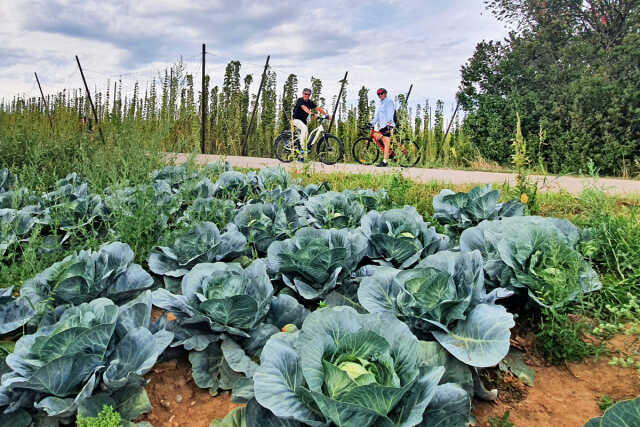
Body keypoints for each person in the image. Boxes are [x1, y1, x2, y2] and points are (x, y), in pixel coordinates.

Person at [292, 88, 329, 160]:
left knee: (306, 134)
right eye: (305, 94)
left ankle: (300, 156)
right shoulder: (300, 100)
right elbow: (304, 108)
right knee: (304, 129)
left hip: (303, 122)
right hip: (296, 120)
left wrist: (326, 115)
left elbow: (318, 108)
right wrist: (311, 114)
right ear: (303, 94)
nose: (307, 96)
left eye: (308, 94)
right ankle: (302, 150)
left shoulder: (310, 102)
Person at [370, 88, 395, 167]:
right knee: (378, 138)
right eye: (378, 94)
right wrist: (371, 123)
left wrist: (389, 123)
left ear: (385, 93)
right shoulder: (381, 104)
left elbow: (391, 113)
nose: (380, 95)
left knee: (386, 143)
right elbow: (377, 116)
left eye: (381, 93)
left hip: (387, 125)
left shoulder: (389, 102)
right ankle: (390, 154)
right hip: (382, 126)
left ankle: (385, 162)